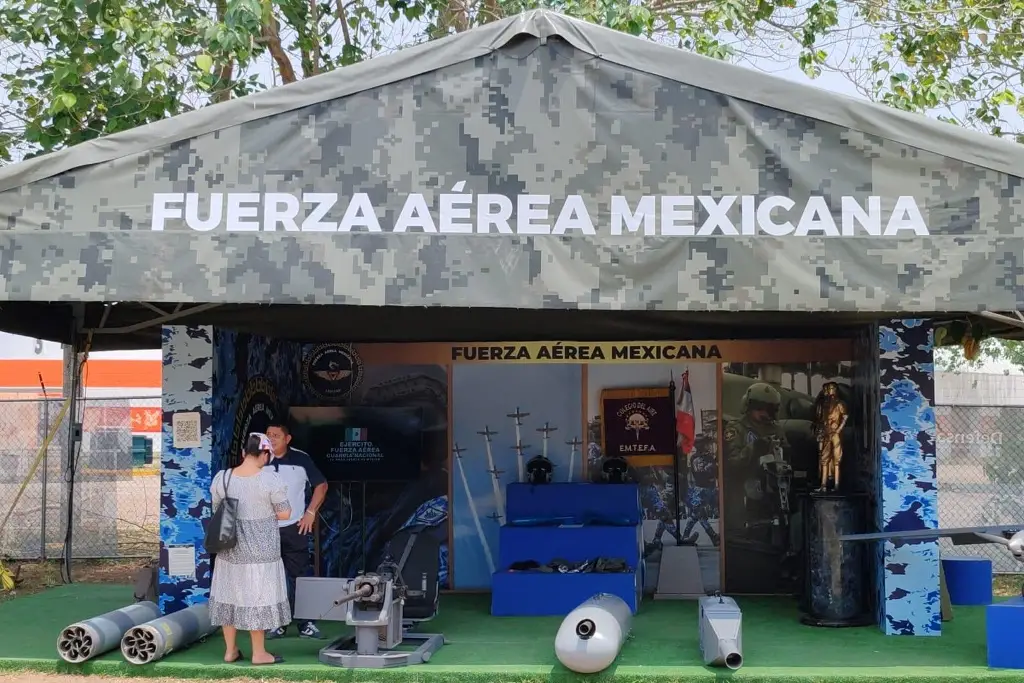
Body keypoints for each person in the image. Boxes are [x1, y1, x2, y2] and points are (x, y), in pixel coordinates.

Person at [208, 433, 291, 666]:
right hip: (261, 549)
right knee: (258, 597)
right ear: (265, 454)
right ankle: (259, 653)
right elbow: (285, 513)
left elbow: (217, 508)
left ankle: (230, 650)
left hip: (229, 547)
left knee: (229, 595)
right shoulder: (269, 480)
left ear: (244, 452)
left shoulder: (222, 477)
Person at [264, 421, 329, 640]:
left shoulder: (301, 459)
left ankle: (306, 623)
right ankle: (277, 623)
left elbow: (321, 485)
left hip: (295, 527)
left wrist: (310, 513)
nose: (271, 439)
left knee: (300, 576)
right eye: (268, 435)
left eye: (276, 435)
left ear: (287, 439)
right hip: (266, 528)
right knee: (271, 578)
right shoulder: (260, 458)